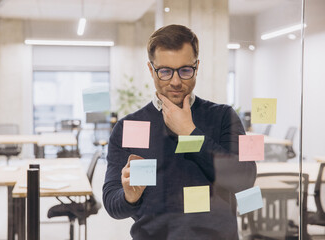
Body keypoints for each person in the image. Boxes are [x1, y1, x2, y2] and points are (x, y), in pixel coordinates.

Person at [103, 24, 256, 240]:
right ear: (151, 69)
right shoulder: (129, 126)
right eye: (165, 71)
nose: (176, 81)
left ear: (197, 66)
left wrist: (189, 132)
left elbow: (244, 180)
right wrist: (129, 196)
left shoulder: (223, 116)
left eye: (185, 70)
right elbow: (111, 203)